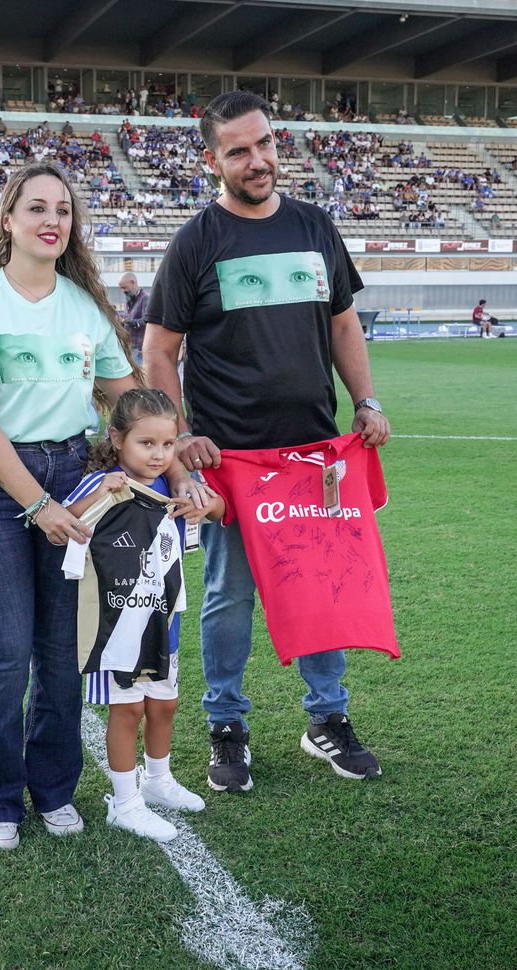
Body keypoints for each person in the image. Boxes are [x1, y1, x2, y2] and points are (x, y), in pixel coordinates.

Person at [142, 90, 391, 792]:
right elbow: (160, 350)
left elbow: (344, 324)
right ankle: (226, 724)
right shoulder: (197, 241)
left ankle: (328, 719)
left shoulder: (315, 226)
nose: (258, 161)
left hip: (315, 454)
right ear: (212, 160)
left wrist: (364, 399)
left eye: (265, 144)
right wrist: (182, 434)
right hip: (233, 461)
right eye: (239, 151)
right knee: (228, 595)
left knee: (323, 586)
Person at [0, 162, 165, 851]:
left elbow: (127, 403)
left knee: (65, 655)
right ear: (7, 220)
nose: (51, 220)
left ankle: (55, 789)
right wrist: (36, 504)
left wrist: (174, 459)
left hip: (72, 477)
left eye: (62, 211)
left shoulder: (83, 306)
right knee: (5, 654)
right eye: (36, 207)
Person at [63, 388, 223, 843]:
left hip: (162, 617)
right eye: (146, 444)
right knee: (128, 709)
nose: (159, 455)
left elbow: (214, 511)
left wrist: (200, 503)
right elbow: (66, 525)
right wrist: (96, 497)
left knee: (164, 703)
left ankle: (157, 780)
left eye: (168, 445)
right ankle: (124, 801)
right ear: (117, 440)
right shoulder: (105, 482)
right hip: (117, 625)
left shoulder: (174, 486)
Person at [118, 272, 148, 362]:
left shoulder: (145, 298)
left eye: (124, 287)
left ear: (132, 282)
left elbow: (146, 321)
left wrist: (125, 321)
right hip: (130, 349)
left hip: (139, 351)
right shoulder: (129, 299)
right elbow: (127, 317)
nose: (123, 291)